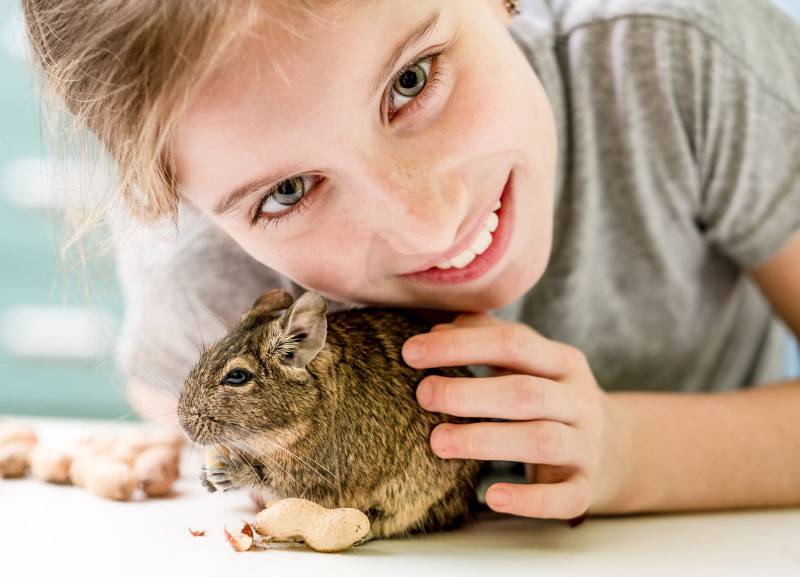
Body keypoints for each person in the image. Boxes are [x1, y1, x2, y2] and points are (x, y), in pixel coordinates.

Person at [22, 0, 800, 521]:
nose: (426, 225)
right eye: (288, 191)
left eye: (412, 79)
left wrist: (628, 451)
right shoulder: (201, 269)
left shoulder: (685, 64)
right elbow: (185, 421)